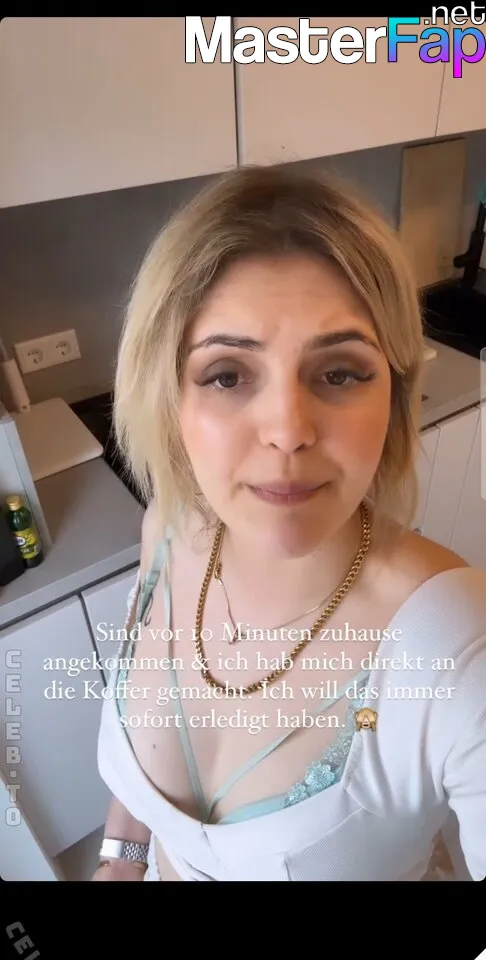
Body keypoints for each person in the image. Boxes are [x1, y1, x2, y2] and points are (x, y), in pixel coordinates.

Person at [92, 164, 486, 882]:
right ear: (170, 398)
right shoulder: (167, 533)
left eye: (339, 373)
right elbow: (142, 758)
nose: (287, 432)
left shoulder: (458, 648)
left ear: (395, 398)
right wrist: (122, 860)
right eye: (227, 375)